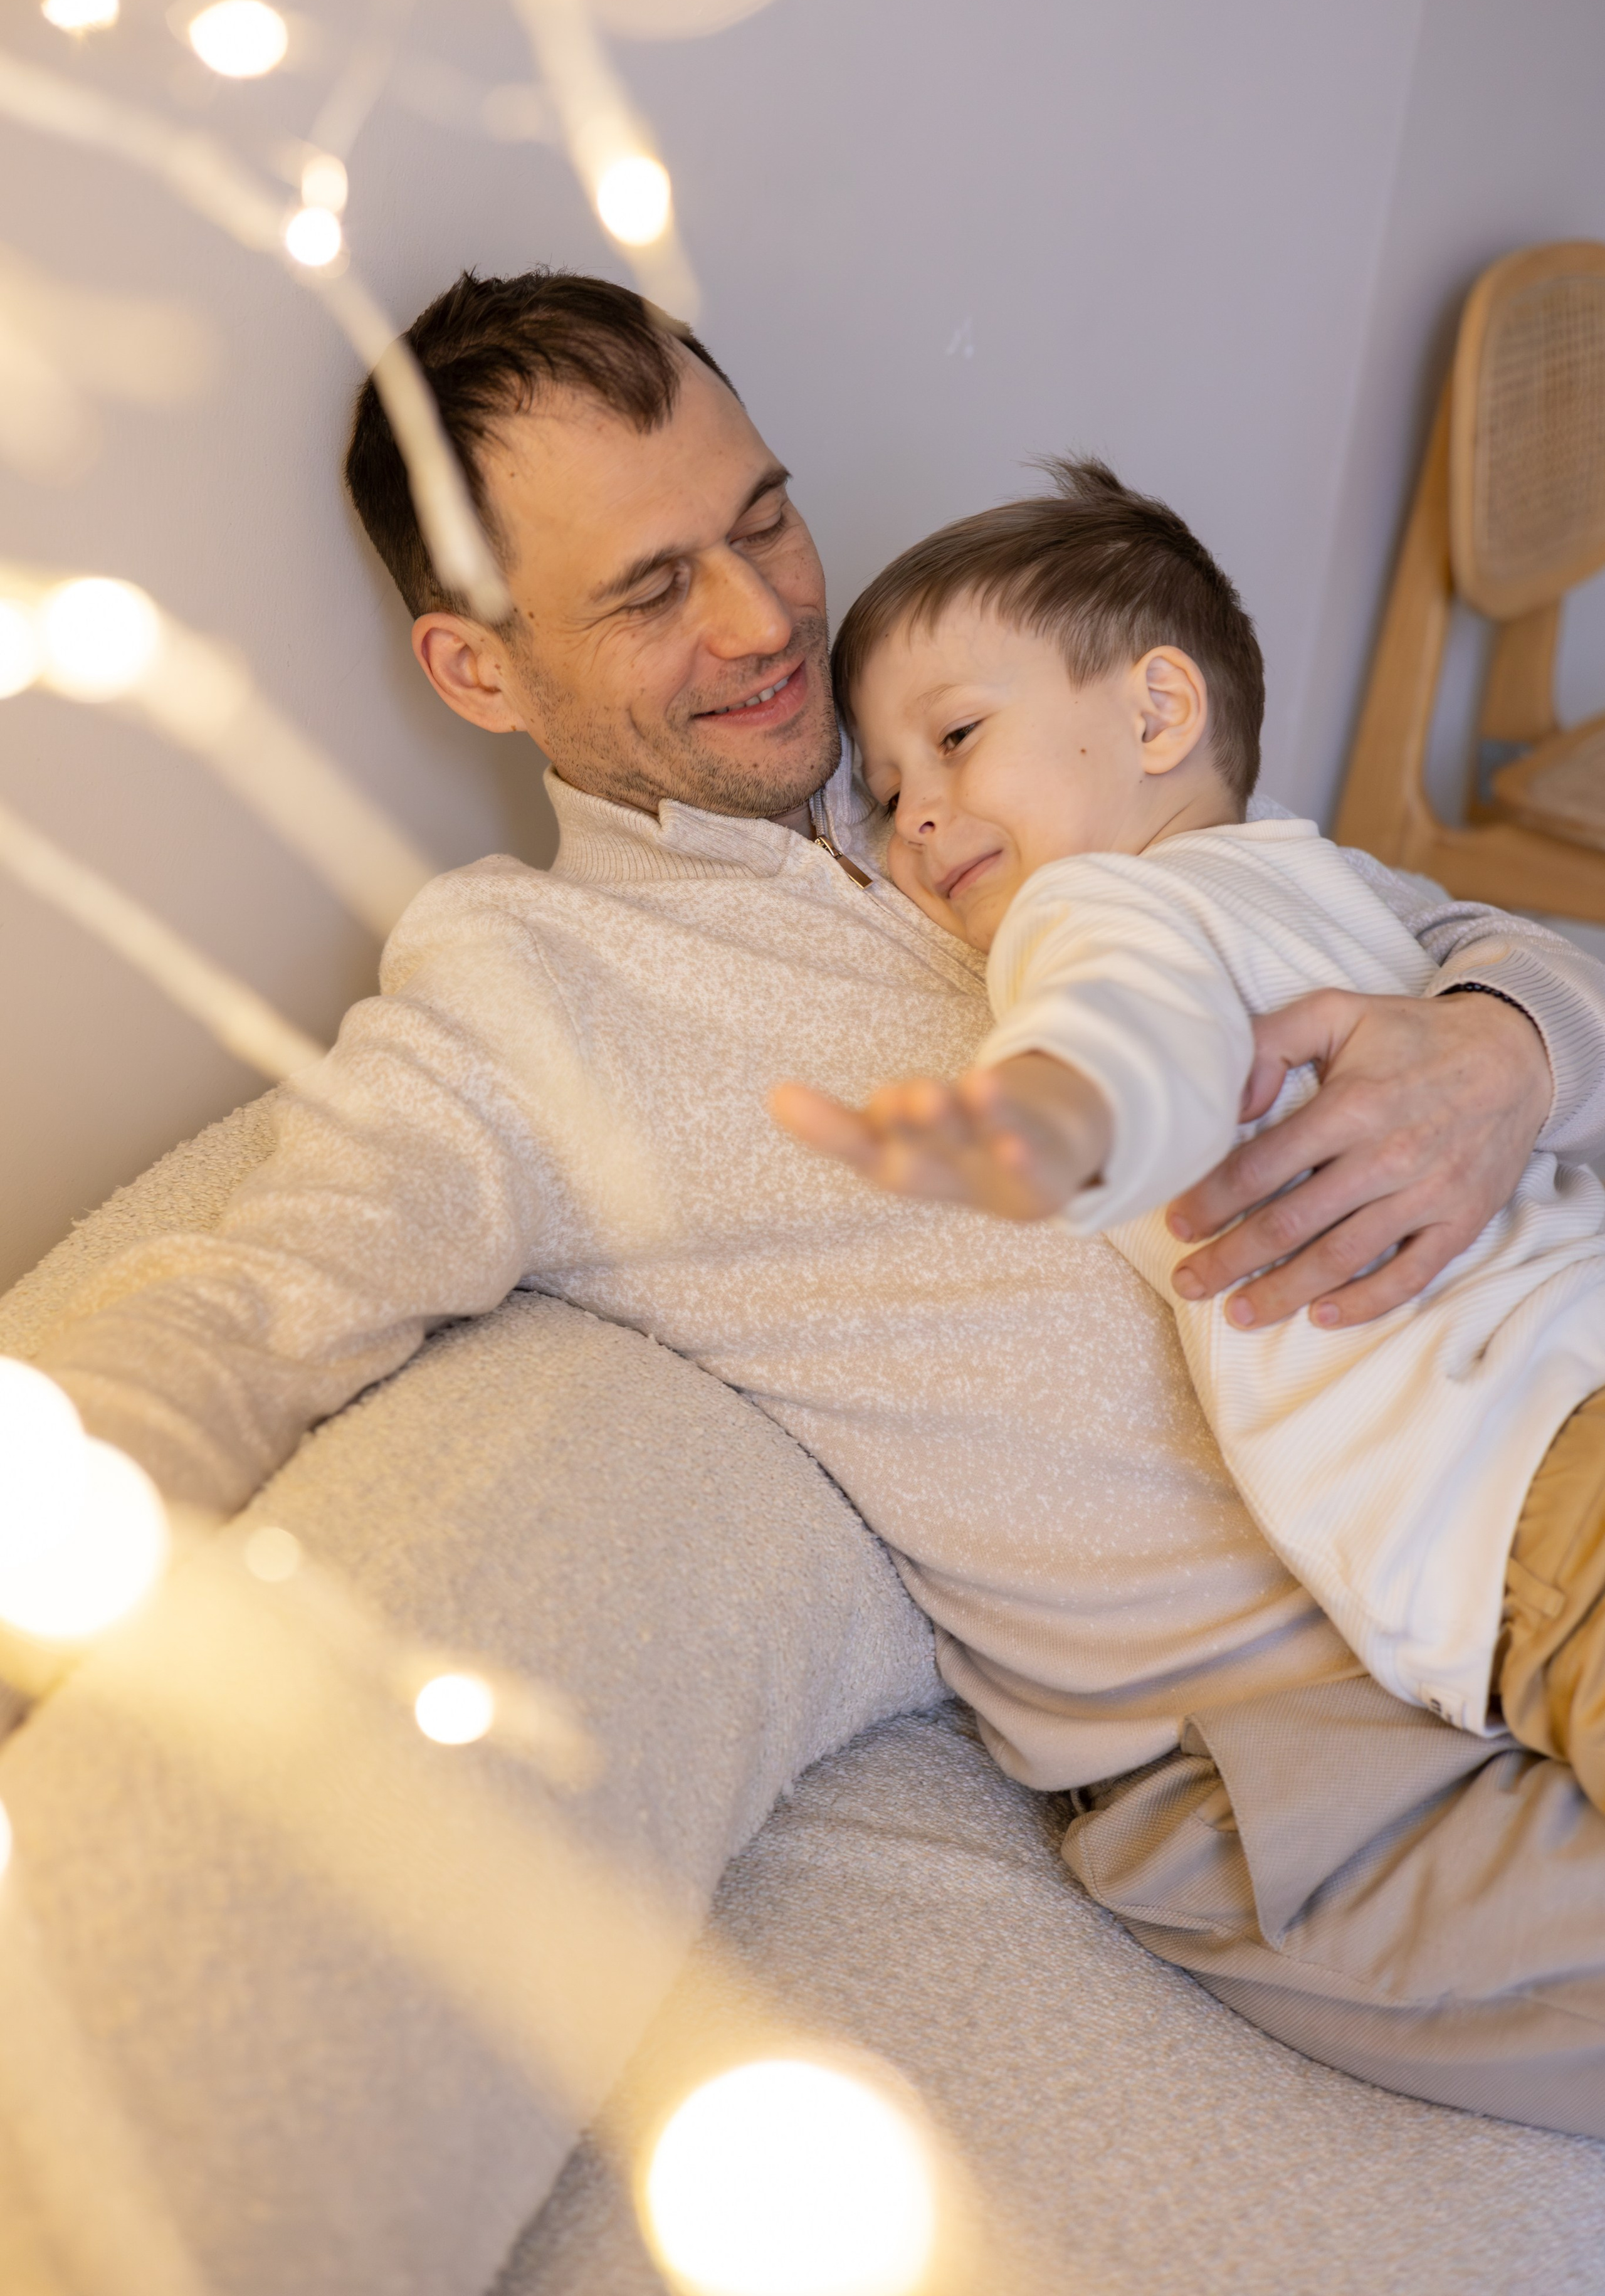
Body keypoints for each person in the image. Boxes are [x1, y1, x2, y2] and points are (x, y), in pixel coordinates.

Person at [28, 270, 1605, 2132]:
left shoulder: (964, 729)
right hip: (1306, 1751)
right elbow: (252, 1300)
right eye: (649, 589)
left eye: (763, 515)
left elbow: (1420, 920)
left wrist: (1506, 1046)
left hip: (1532, 1432)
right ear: (479, 669)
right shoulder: (518, 996)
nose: (765, 614)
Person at [771, 456, 1605, 1811]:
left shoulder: (1316, 872)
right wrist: (1040, 1123)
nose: (912, 816)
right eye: (883, 790)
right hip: (1519, 1471)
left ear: (1158, 711)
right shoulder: (1090, 910)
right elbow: (1133, 1042)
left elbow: (1549, 1002)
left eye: (957, 738)